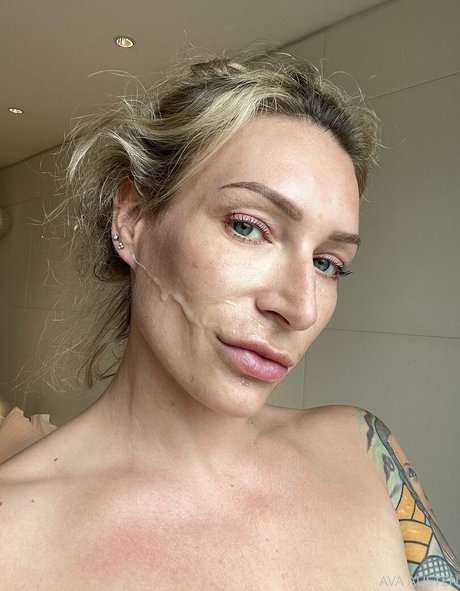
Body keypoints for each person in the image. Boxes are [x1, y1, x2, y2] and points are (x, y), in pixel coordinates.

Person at [0, 49, 458, 590]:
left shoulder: (365, 451)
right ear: (134, 217)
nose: (301, 308)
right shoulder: (14, 539)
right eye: (247, 226)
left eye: (327, 263)